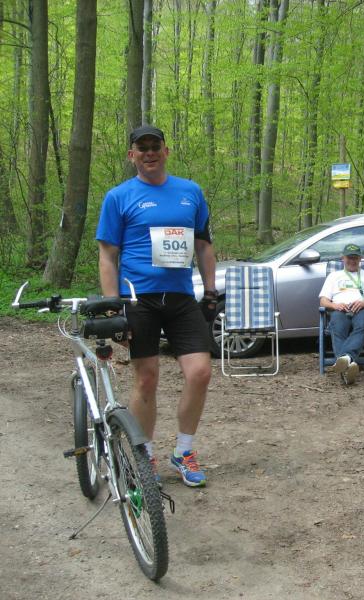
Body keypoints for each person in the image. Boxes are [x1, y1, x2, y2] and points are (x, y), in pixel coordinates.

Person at [96, 125, 218, 487]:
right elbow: (108, 255)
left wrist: (211, 291)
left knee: (200, 372)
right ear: (131, 155)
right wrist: (112, 306)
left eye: (155, 146)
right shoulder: (118, 197)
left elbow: (203, 245)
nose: (149, 153)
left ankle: (183, 451)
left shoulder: (190, 192)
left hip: (180, 297)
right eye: (142, 147)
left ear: (166, 151)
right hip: (138, 299)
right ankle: (144, 455)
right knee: (146, 378)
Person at [319, 244, 364, 385]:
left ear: (360, 259)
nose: (352, 261)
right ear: (343, 258)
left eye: (355, 258)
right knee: (338, 327)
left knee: (362, 325)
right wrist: (335, 305)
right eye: (349, 257)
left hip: (363, 309)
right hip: (339, 310)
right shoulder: (333, 276)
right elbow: (323, 301)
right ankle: (347, 366)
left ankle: (345, 359)